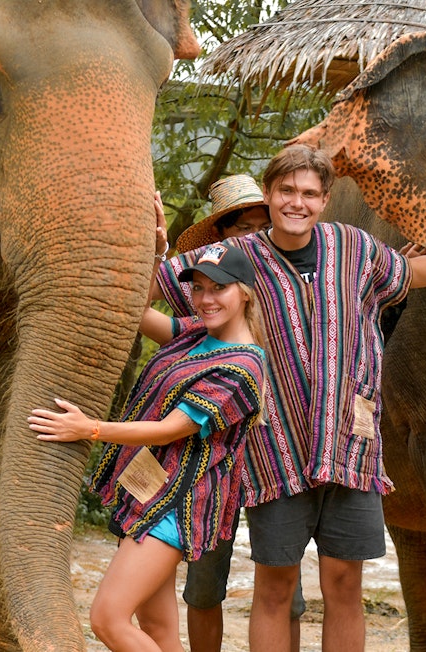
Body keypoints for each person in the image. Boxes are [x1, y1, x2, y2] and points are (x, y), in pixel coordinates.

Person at [152, 143, 426, 651]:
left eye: (308, 193)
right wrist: (149, 245)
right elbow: (161, 283)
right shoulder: (236, 259)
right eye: (285, 190)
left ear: (324, 200)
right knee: (274, 588)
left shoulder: (354, 246)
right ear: (269, 193)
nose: (296, 202)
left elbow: (412, 274)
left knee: (345, 585)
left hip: (351, 446)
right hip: (272, 448)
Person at [28, 242, 266, 652]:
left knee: (107, 618)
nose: (206, 299)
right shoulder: (195, 333)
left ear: (244, 292)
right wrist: (156, 250)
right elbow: (135, 311)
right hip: (149, 494)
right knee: (157, 631)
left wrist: (89, 429)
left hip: (175, 505)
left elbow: (169, 430)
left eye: (219, 289)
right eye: (200, 289)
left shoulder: (242, 365)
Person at [169, 175, 304, 652]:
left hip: (274, 455)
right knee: (204, 584)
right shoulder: (205, 310)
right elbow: (151, 316)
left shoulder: (299, 290)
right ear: (221, 239)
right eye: (239, 228)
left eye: (258, 225)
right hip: (211, 462)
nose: (250, 236)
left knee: (286, 589)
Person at [175, 174, 271, 253]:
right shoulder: (206, 274)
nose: (257, 236)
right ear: (217, 234)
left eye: (265, 228)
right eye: (246, 228)